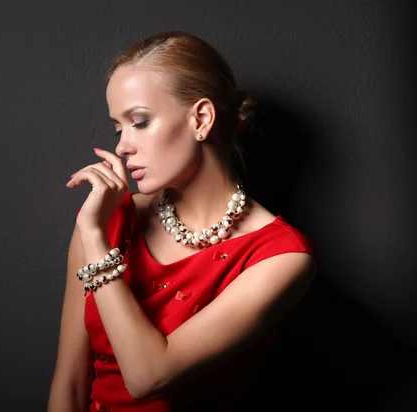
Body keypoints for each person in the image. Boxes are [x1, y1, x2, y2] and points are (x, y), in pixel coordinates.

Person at [47, 31, 317, 412]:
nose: (122, 146)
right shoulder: (110, 219)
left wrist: (94, 237)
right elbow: (69, 383)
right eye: (117, 128)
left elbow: (148, 377)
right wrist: (94, 229)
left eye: (139, 122)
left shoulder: (282, 257)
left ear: (201, 118)